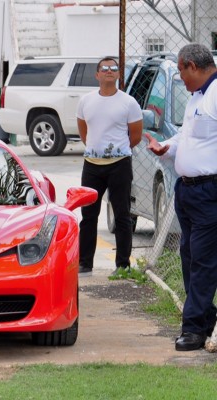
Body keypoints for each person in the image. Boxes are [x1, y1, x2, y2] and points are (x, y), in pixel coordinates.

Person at [145, 43, 217, 351]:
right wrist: (168, 147)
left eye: (180, 71)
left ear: (192, 66)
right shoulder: (197, 98)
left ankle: (193, 330)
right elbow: (189, 136)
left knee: (201, 260)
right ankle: (205, 319)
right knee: (189, 258)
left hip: (208, 191)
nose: (180, 79)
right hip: (186, 190)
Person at [76, 57, 143, 277]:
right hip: (92, 166)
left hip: (119, 165)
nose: (109, 71)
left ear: (118, 75)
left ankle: (122, 265)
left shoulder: (129, 102)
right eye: (104, 68)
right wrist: (97, 149)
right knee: (88, 216)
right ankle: (85, 263)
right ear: (97, 75)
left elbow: (135, 136)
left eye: (113, 68)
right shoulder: (86, 101)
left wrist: (115, 151)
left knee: (122, 215)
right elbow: (84, 132)